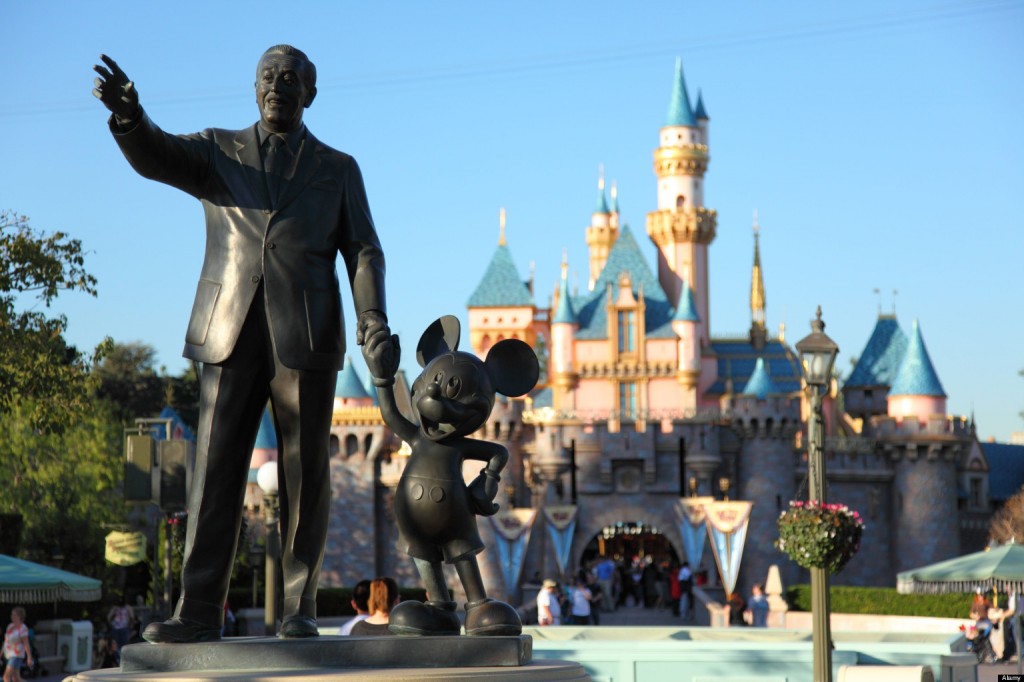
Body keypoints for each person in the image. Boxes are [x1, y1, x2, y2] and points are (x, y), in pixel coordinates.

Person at [93, 45, 391, 643]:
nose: (277, 85)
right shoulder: (216, 150)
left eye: (289, 78)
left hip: (305, 335)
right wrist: (131, 119)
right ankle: (198, 610)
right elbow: (158, 156)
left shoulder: (338, 168)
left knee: (307, 473)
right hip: (227, 327)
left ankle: (299, 609)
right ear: (255, 89)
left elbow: (364, 250)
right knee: (214, 472)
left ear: (310, 92)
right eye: (267, 77)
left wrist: (374, 321)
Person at [3, 607, 32, 682]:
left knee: (6, 677)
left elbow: (26, 643)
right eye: (12, 614)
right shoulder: (10, 626)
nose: (12, 616)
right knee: (16, 679)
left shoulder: (23, 628)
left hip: (16, 655)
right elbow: (6, 642)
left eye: (14, 615)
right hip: (9, 653)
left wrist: (29, 657)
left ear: (19, 616)